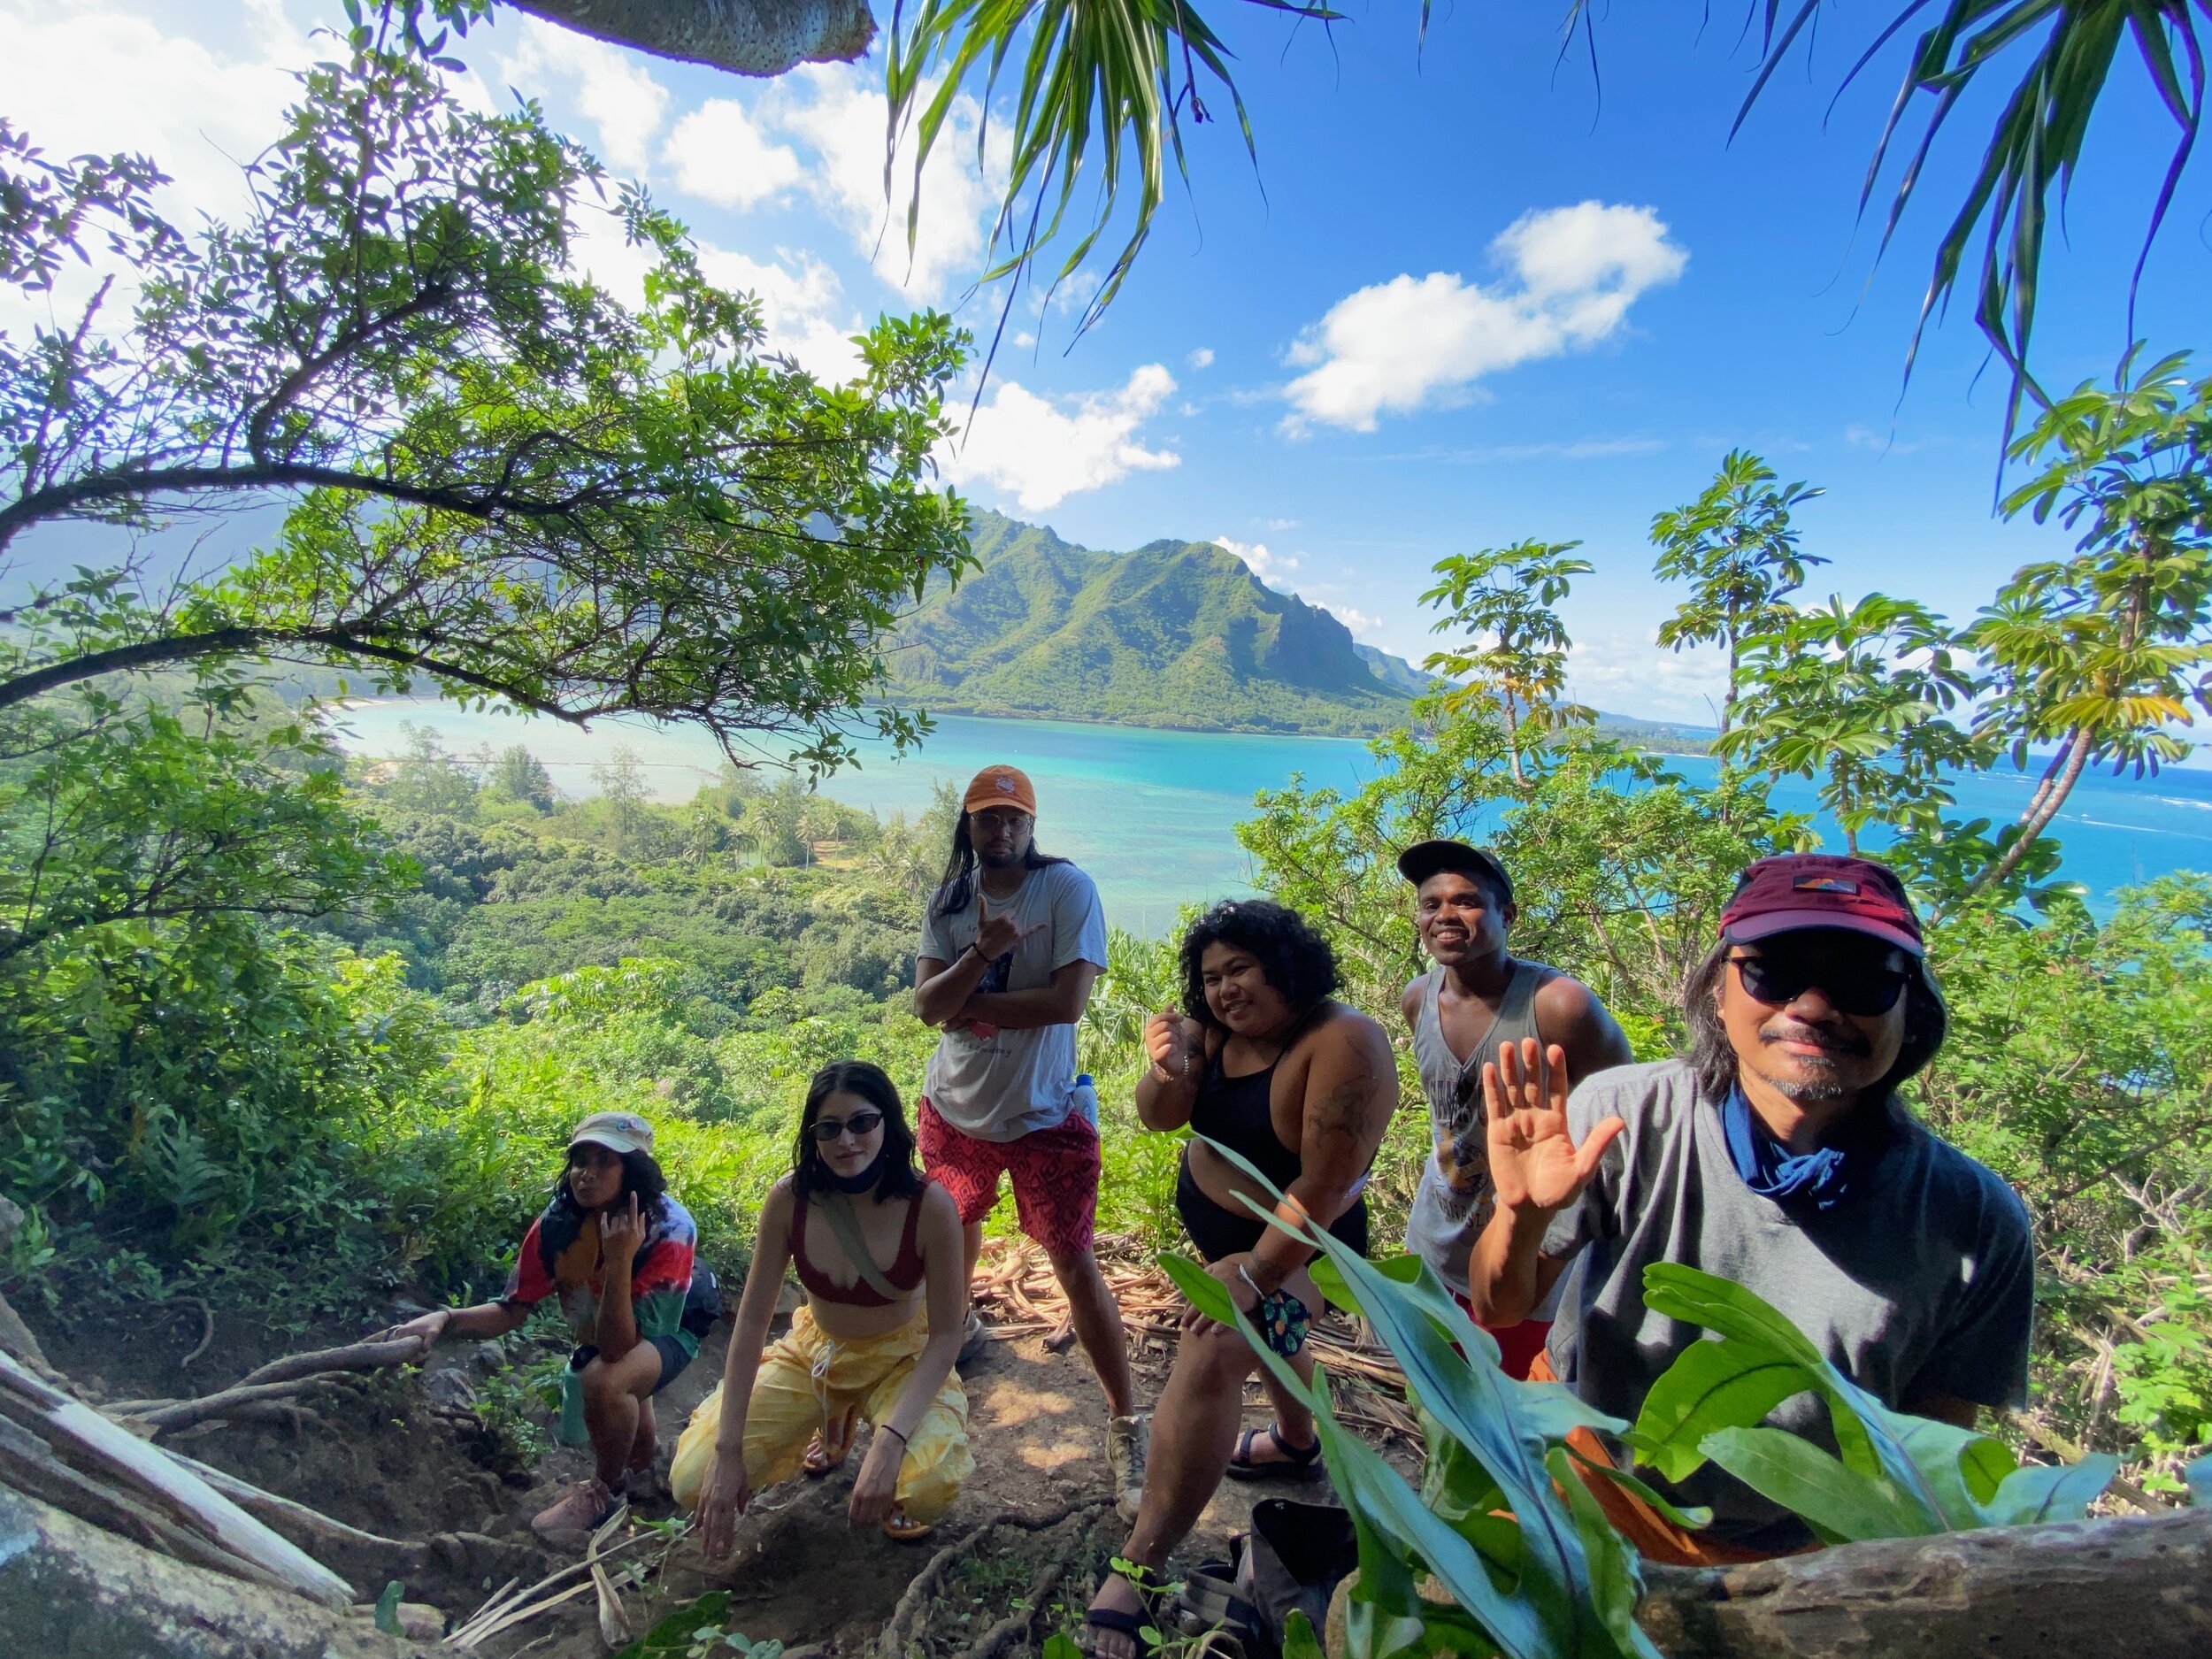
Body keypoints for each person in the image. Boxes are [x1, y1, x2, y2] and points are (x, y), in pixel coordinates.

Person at [1465, 853, 2035, 1564]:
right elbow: (1500, 1307)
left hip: (1793, 1552)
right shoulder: (1624, 1117)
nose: (1814, 1006)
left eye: (1862, 977)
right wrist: (1518, 1216)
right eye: (1773, 969)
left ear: (1911, 1010)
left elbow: (1933, 1467)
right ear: (1716, 992)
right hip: (1574, 1478)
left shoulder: (1972, 1223)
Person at [1084, 900, 1396, 1659]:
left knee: (1220, 1342)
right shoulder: (1213, 1033)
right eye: (1212, 976)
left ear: (1287, 965)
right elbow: (1160, 1116)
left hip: (1304, 1244)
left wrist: (1255, 1272)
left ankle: (1141, 1562)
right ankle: (1295, 1442)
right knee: (1266, 1330)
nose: (1224, 989)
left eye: (1242, 969)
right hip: (1225, 1232)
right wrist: (1168, 1067)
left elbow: (1326, 1184)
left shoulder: (1343, 1040)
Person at [910, 764, 1141, 1515]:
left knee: (1074, 1261)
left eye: (1014, 818)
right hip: (955, 1107)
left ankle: (1124, 1418)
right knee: (957, 1228)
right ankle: (959, 1327)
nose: (1001, 830)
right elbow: (927, 1009)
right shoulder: (949, 902)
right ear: (968, 825)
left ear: (1032, 825)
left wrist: (969, 1002)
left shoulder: (1067, 890)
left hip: (1046, 1114)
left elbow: (1069, 1004)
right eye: (987, 818)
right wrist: (981, 956)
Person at [670, 1061, 972, 1545]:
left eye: (861, 1122)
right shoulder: (790, 1200)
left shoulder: (930, 1206)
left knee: (926, 1487)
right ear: (813, 1135)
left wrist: (890, 1443)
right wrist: (728, 1453)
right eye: (829, 1128)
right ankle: (837, 1412)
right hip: (817, 1353)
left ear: (887, 1124)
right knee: (692, 1478)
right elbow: (750, 1323)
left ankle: (864, 1423)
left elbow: (946, 1335)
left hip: (903, 1358)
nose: (846, 1141)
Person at [388, 1111, 718, 1542]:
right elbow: (512, 1309)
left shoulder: (670, 1228)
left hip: (673, 1323)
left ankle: (604, 1490)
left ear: (633, 1170)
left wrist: (619, 1259)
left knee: (605, 1379)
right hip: (613, 1325)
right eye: (581, 1160)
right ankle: (647, 1482)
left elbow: (621, 1346)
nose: (588, 1174)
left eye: (605, 1162)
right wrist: (444, 1319)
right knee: (616, 1390)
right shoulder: (559, 1224)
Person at [1396, 839, 1633, 1377]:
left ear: (1508, 915)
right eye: (1431, 904)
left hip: (1532, 1258)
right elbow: (1451, 1118)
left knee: (1520, 1417)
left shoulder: (1559, 1007)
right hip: (1438, 1243)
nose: (1445, 916)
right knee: (1447, 1403)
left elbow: (1622, 1118)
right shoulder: (1418, 998)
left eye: (1466, 901)